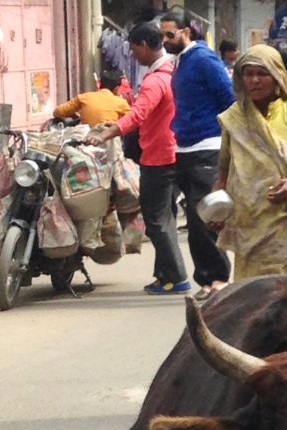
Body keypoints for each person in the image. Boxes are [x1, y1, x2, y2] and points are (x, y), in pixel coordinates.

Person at [87, 22, 189, 295]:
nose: (132, 55)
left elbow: (138, 114)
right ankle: (163, 275)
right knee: (164, 217)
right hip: (169, 152)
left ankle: (177, 277)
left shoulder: (156, 80)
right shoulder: (171, 73)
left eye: (133, 49)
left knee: (155, 221)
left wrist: (108, 133)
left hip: (160, 156)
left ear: (144, 45)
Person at [211, 44, 287, 279]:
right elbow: (223, 173)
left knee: (285, 291)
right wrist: (216, 208)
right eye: (248, 73)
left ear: (276, 76)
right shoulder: (233, 119)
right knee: (252, 295)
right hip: (249, 227)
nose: (255, 80)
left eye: (262, 73)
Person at [161, 13, 234, 300]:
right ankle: (206, 278)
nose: (165, 41)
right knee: (193, 220)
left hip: (207, 146)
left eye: (170, 35)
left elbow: (228, 99)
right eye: (163, 36)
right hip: (185, 147)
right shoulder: (180, 62)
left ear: (185, 32)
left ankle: (219, 279)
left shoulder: (203, 58)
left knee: (205, 216)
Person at [51, 70, 130, 127]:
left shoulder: (84, 97)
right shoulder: (120, 102)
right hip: (109, 143)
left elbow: (57, 112)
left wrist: (72, 114)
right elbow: (133, 121)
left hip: (85, 142)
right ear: (117, 88)